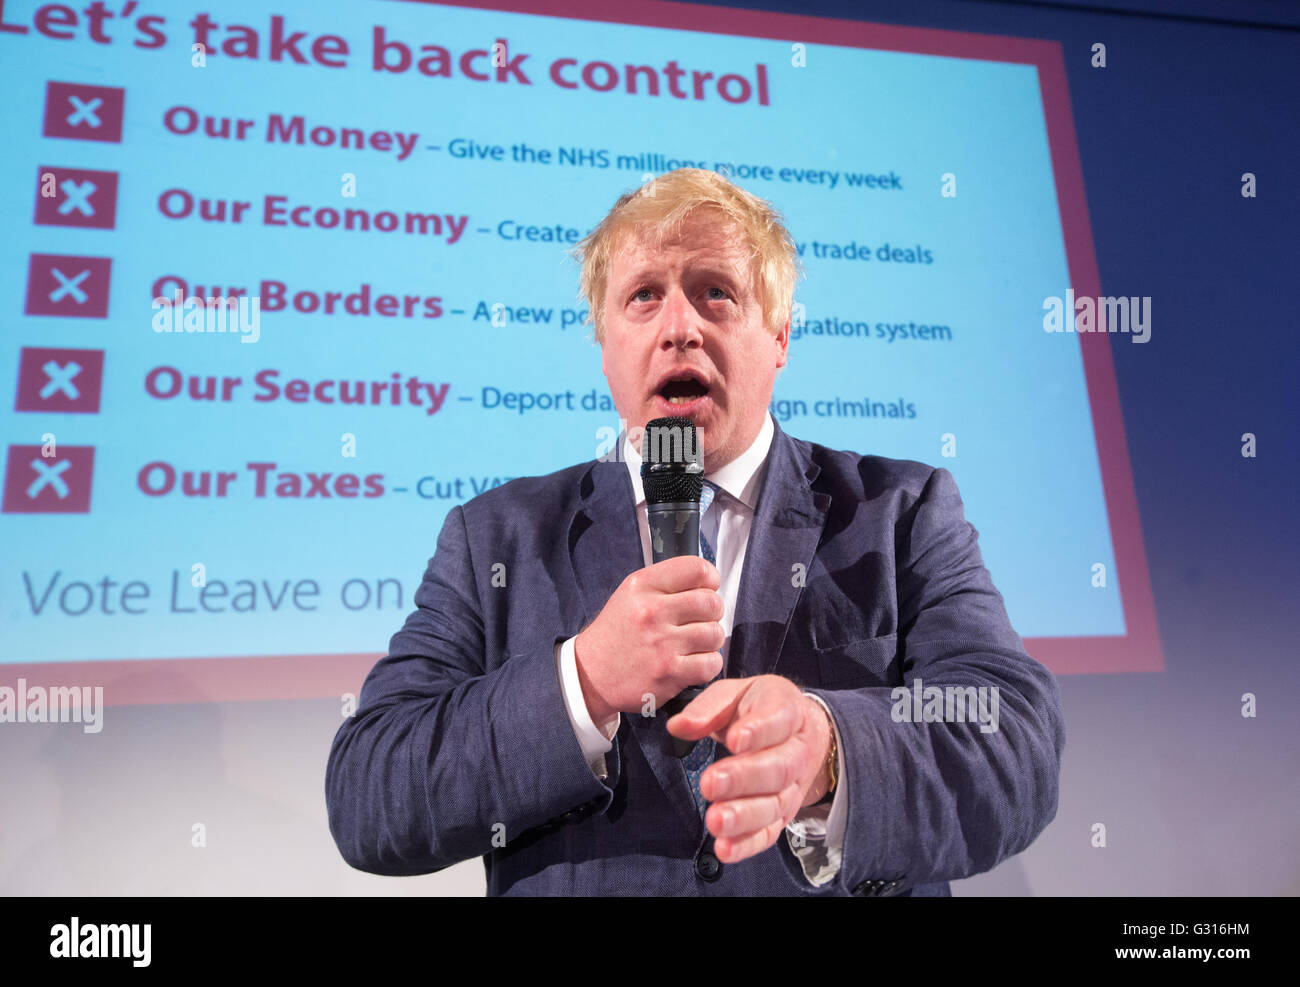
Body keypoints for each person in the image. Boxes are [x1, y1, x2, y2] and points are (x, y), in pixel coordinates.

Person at [325, 168, 1065, 896]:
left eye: (716, 291)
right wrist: (582, 680)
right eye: (644, 296)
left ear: (778, 336)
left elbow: (1015, 747)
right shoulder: (495, 538)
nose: (680, 326)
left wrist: (832, 749)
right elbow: (369, 796)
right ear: (606, 345)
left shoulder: (899, 512)